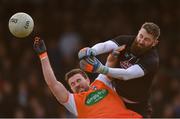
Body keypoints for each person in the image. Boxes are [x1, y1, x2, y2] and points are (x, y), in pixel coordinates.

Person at [33, 36, 142, 118]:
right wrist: (43, 55)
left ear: (87, 79)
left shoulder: (101, 82)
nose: (76, 84)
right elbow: (53, 84)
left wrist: (115, 53)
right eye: (72, 84)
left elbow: (110, 62)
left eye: (78, 80)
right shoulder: (73, 101)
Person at [78, 22, 160, 117]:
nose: (141, 41)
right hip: (115, 99)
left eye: (147, 40)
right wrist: (92, 51)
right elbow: (106, 45)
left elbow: (127, 74)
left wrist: (100, 69)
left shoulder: (152, 59)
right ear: (138, 33)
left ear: (154, 43)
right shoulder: (126, 40)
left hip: (137, 106)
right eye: (140, 36)